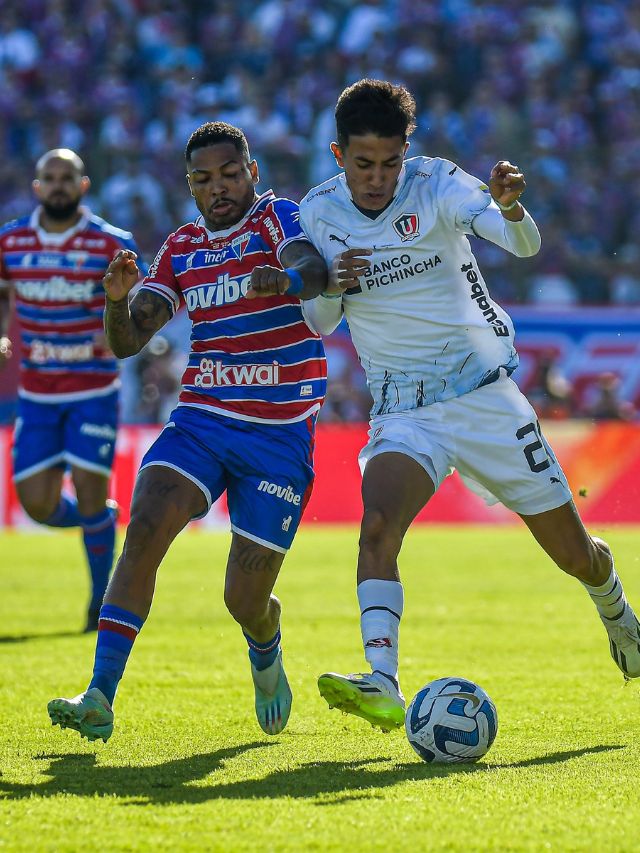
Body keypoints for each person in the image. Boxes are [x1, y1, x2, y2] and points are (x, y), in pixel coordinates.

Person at [299, 79, 640, 732]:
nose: (378, 177)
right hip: (404, 410)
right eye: (363, 163)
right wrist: (332, 291)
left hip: (486, 399)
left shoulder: (437, 184)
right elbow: (317, 320)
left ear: (407, 152)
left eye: (390, 162)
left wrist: (511, 209)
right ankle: (381, 679)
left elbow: (524, 245)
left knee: (576, 555)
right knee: (377, 528)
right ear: (338, 154)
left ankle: (619, 612)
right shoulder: (318, 213)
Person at [48, 121, 328, 742]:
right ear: (190, 186)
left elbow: (311, 264)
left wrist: (287, 279)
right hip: (201, 421)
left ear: (250, 171)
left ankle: (265, 643)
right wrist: (117, 303)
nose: (219, 188)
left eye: (230, 174)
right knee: (144, 526)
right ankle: (99, 693)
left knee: (244, 601)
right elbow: (127, 342)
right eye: (204, 180)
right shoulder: (180, 248)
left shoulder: (279, 219)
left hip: (279, 436)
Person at [0, 149, 143, 632]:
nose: (58, 185)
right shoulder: (11, 240)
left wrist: (117, 326)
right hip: (38, 392)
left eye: (67, 177)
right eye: (49, 178)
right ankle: (100, 523)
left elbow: (134, 303)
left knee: (88, 489)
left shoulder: (111, 243)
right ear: (37, 187)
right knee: (36, 504)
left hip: (93, 389)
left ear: (83, 186)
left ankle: (99, 604)